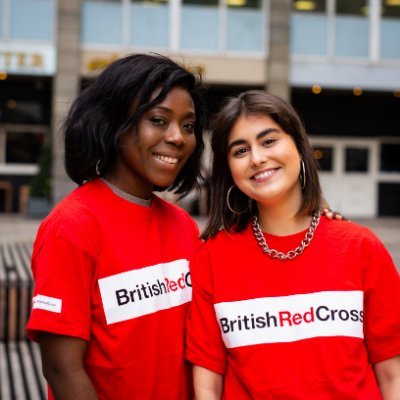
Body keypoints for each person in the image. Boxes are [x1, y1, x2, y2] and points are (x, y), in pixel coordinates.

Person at [186, 90, 400, 399]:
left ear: (299, 148)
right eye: (240, 150)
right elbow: (207, 385)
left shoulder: (362, 247)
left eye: (269, 141)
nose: (257, 157)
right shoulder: (213, 257)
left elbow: (393, 375)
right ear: (229, 169)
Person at [26, 53, 206, 400]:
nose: (178, 138)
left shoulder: (183, 225)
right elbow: (62, 368)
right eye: (158, 119)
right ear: (114, 122)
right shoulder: (72, 227)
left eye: (188, 125)